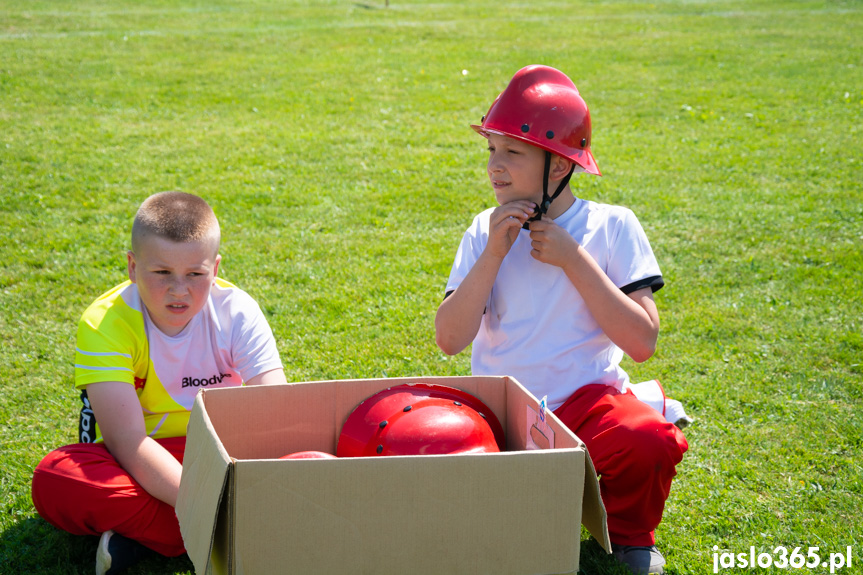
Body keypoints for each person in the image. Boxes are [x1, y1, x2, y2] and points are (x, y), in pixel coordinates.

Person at [434, 65, 688, 575]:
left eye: (513, 152)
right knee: (442, 471)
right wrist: (491, 257)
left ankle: (631, 535)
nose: (495, 166)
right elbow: (449, 339)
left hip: (587, 404)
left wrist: (575, 259)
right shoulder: (482, 230)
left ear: (558, 166)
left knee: (646, 438)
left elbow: (642, 341)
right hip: (501, 410)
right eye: (491, 150)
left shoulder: (612, 226)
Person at [31, 192, 287, 575]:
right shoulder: (106, 322)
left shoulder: (238, 311)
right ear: (133, 267)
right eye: (162, 272)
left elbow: (276, 408)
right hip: (143, 458)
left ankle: (152, 537)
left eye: (195, 274)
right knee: (57, 476)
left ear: (215, 268)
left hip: (222, 452)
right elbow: (127, 441)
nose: (179, 290)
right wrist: (209, 502)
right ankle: (220, 529)